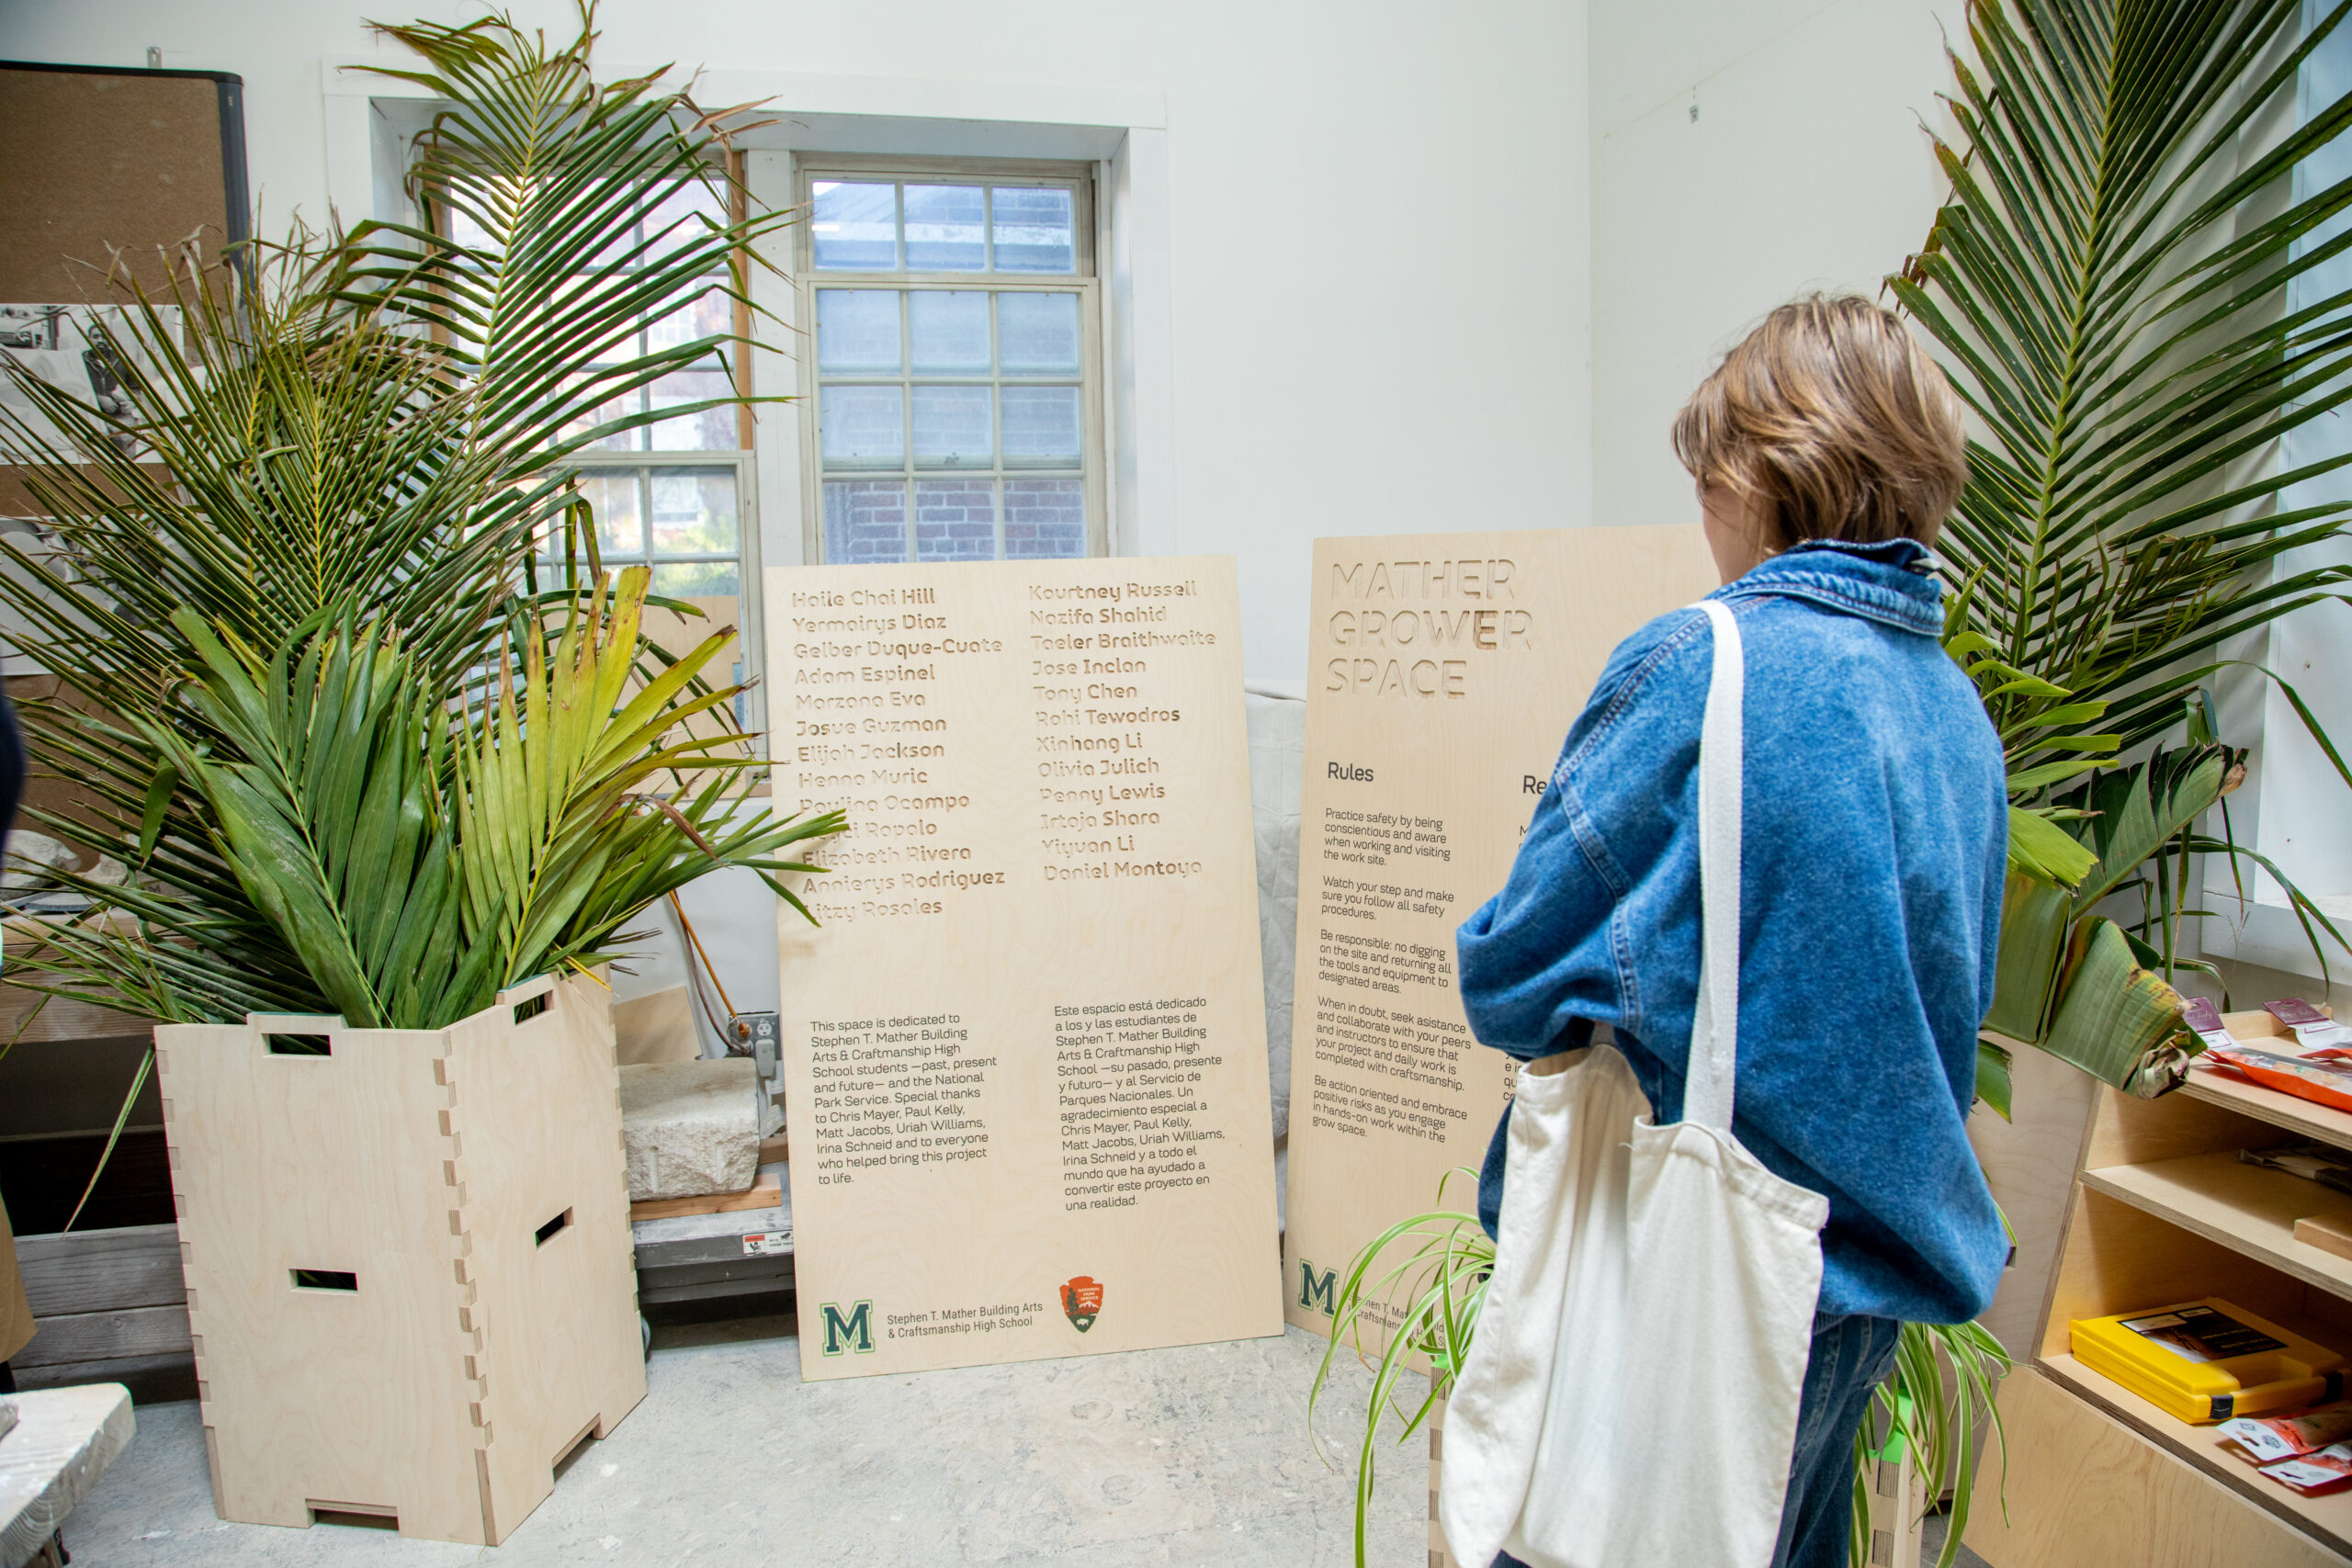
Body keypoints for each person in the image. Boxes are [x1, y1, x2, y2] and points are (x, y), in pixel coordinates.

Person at [1455, 294, 2009, 1568]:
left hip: (1697, 1270)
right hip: (1856, 1286)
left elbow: (1514, 973)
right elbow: (1948, 1000)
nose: (1702, 510)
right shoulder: (1954, 712)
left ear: (1768, 473)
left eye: (1708, 474)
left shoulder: (1698, 666)